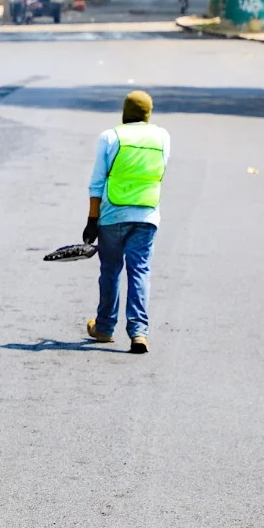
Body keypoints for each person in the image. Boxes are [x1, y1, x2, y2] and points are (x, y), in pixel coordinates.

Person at [84, 91, 170, 355]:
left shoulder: (111, 137)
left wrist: (91, 220)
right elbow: (160, 171)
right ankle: (139, 332)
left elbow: (97, 182)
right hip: (146, 215)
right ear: (148, 112)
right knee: (140, 271)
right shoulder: (163, 137)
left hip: (112, 215)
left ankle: (105, 328)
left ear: (125, 111)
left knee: (110, 271)